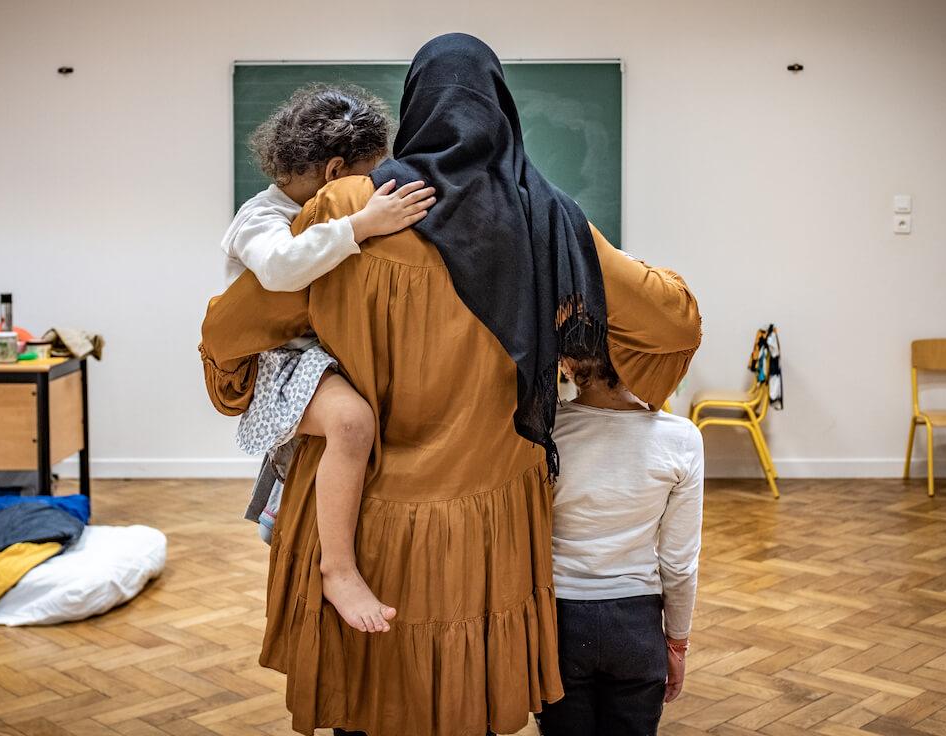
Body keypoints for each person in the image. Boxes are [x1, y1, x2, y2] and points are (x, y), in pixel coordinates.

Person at [200, 34, 701, 736]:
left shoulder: (351, 206)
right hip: (488, 525)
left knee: (364, 702)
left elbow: (227, 335)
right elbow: (673, 324)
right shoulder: (550, 220)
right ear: (503, 111)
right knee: (469, 708)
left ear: (413, 109)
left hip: (359, 513)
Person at [221, 83, 436, 633]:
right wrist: (362, 223)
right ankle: (337, 570)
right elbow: (280, 268)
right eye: (366, 176)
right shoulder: (260, 216)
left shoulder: (313, 206)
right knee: (351, 421)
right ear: (336, 172)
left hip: (327, 353)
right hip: (284, 362)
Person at [536, 352, 703, 736]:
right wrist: (677, 645)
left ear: (567, 362)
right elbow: (679, 564)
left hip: (559, 624)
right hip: (636, 629)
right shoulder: (682, 439)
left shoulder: (541, 431)